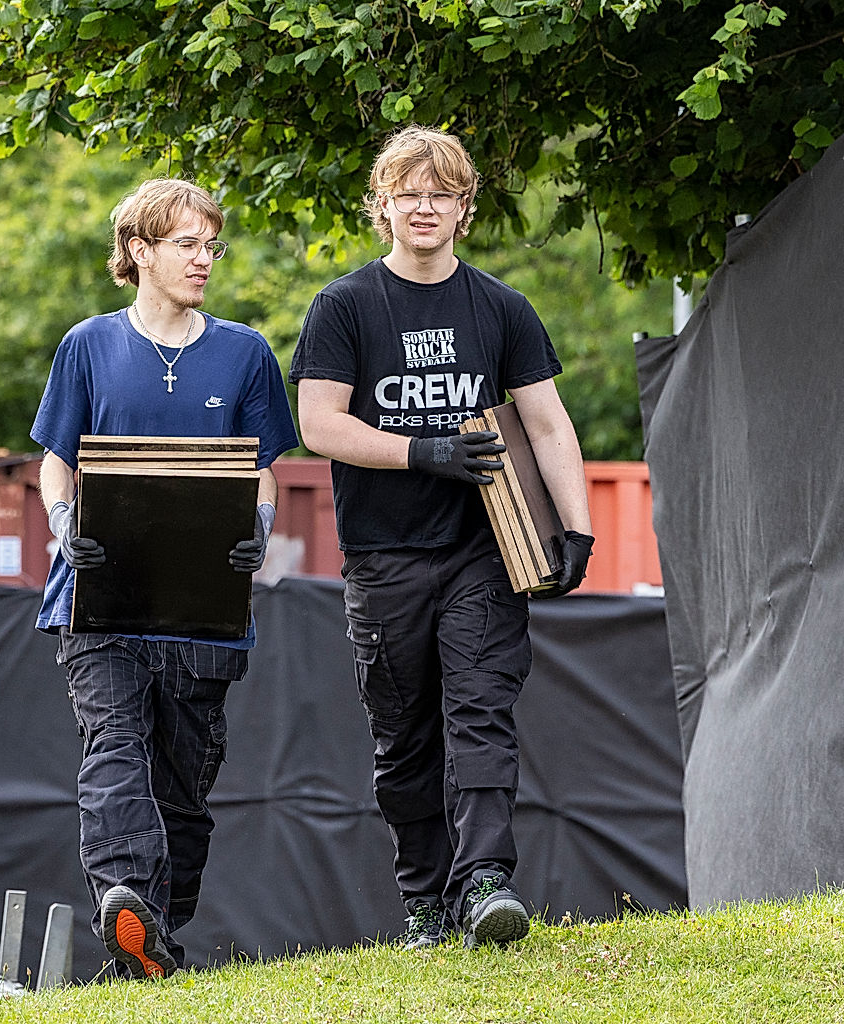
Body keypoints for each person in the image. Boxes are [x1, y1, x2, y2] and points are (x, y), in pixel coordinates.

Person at [289, 125, 594, 952]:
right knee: (406, 741)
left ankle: (487, 882)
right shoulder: (344, 306)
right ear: (381, 206)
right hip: (383, 558)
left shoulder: (501, 308)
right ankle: (427, 901)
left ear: (464, 208)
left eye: (442, 193)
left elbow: (549, 425)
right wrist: (421, 452)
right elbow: (318, 424)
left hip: (483, 553)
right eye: (408, 193)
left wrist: (579, 527)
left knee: (483, 713)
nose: (424, 207)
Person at [32, 177, 299, 978]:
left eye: (211, 245)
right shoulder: (87, 345)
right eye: (187, 243)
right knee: (114, 750)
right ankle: (124, 895)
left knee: (182, 791)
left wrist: (260, 529)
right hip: (98, 600)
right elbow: (57, 464)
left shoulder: (246, 353)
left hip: (204, 611)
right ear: (139, 250)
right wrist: (62, 525)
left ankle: (154, 940)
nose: (204, 259)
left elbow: (261, 472)